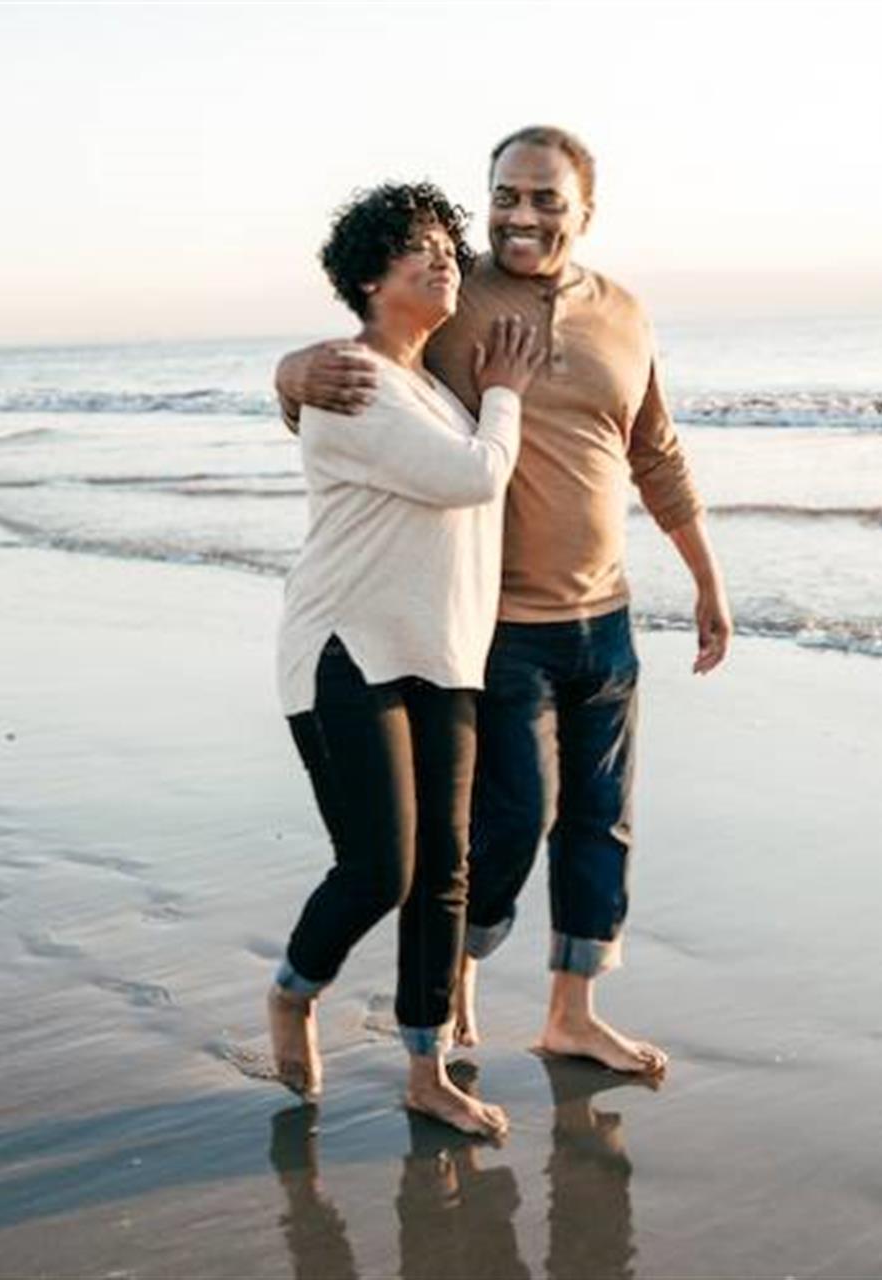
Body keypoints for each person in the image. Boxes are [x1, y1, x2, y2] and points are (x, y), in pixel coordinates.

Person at [276, 126, 731, 1076]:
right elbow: (370, 365)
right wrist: (286, 374)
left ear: (585, 212)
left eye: (545, 199)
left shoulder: (626, 314)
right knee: (512, 822)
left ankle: (572, 1013)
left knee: (601, 820)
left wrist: (705, 577)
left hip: (604, 613)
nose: (521, 215)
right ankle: (460, 969)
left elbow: (656, 450)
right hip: (498, 627)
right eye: (506, 196)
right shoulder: (458, 296)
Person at [267, 180, 544, 1138]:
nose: (443, 259)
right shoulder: (349, 379)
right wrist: (506, 391)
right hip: (348, 650)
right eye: (417, 247)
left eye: (445, 244)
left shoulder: (428, 386)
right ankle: (294, 990)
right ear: (368, 277)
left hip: (445, 654)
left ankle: (426, 1070)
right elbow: (472, 477)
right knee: (381, 869)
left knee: (446, 872)